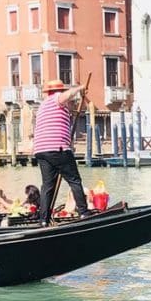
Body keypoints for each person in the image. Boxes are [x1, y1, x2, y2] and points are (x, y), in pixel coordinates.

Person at [34, 78, 89, 225]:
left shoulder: (43, 106)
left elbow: (78, 108)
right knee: (74, 180)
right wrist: (80, 87)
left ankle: (43, 220)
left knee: (47, 186)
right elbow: (66, 96)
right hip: (57, 149)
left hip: (41, 150)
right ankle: (84, 213)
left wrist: (83, 96)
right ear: (58, 91)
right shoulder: (55, 99)